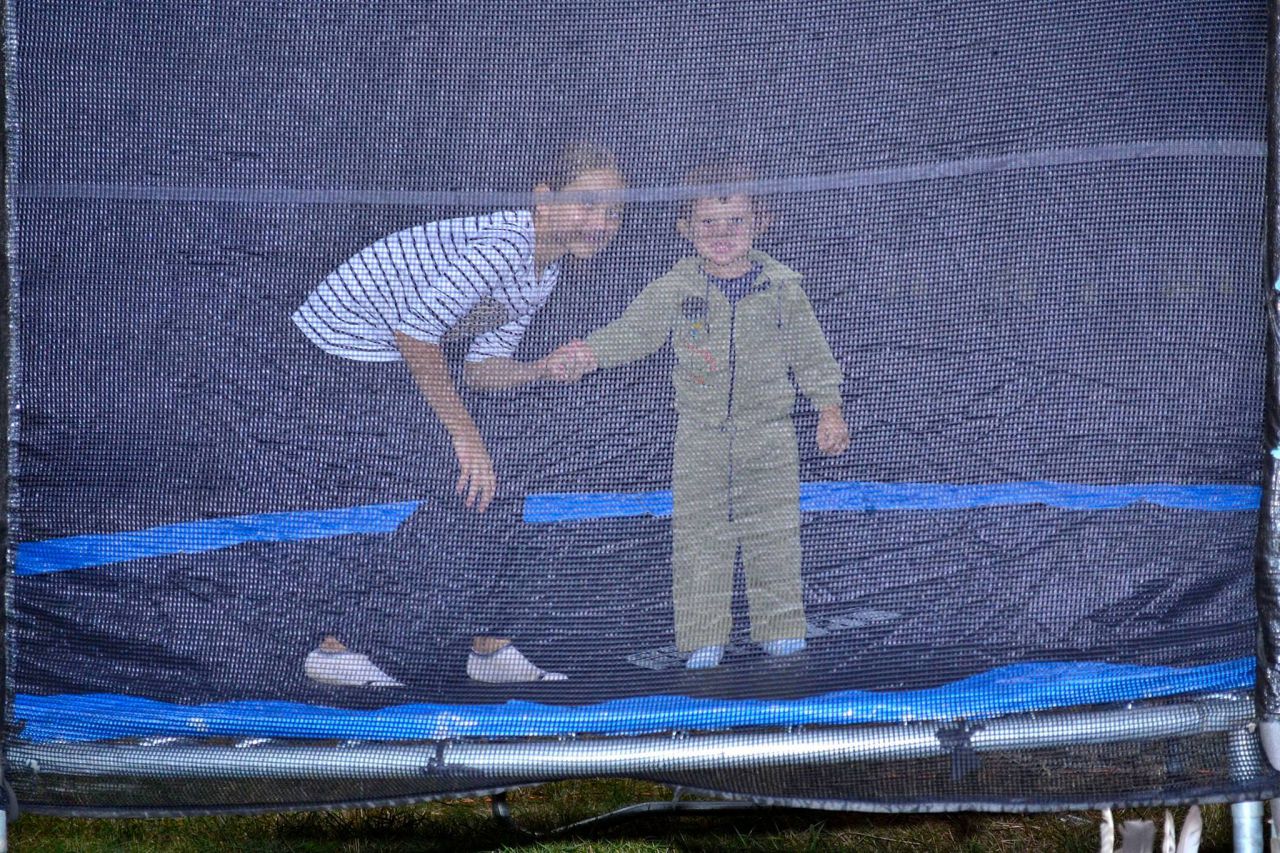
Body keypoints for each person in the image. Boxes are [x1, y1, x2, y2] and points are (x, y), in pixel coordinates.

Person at [292, 142, 625, 682]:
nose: (601, 223)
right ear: (544, 199)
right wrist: (465, 439)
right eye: (587, 205)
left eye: (613, 213)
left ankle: (488, 647)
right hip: (335, 347)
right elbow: (414, 335)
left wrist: (541, 369)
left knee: (499, 477)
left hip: (391, 350)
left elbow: (480, 369)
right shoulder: (506, 248)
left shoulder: (543, 272)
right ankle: (336, 648)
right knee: (459, 478)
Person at [548, 161, 849, 670]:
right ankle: (703, 637)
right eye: (707, 222)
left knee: (774, 536)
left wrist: (829, 410)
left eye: (735, 221)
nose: (721, 233)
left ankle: (780, 630)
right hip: (700, 438)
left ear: (761, 223)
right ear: (685, 229)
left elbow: (811, 354)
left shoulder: (782, 288)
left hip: (769, 437)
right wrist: (588, 354)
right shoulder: (677, 287)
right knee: (699, 539)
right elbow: (634, 331)